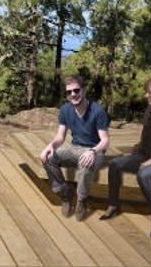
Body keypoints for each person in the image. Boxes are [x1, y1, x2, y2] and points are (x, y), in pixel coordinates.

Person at [100, 77, 151, 238]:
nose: (146, 95)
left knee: (143, 175)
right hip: (144, 156)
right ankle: (113, 205)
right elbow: (145, 140)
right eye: (146, 92)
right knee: (115, 164)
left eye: (149, 92)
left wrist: (149, 162)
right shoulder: (149, 112)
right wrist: (133, 154)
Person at [39, 76, 110, 221]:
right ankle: (65, 193)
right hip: (75, 147)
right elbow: (60, 136)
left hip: (95, 150)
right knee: (48, 158)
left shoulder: (97, 110)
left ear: (83, 90)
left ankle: (81, 200)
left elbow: (105, 140)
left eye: (76, 90)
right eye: (69, 92)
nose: (73, 95)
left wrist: (92, 152)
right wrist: (50, 146)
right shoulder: (65, 110)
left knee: (85, 164)